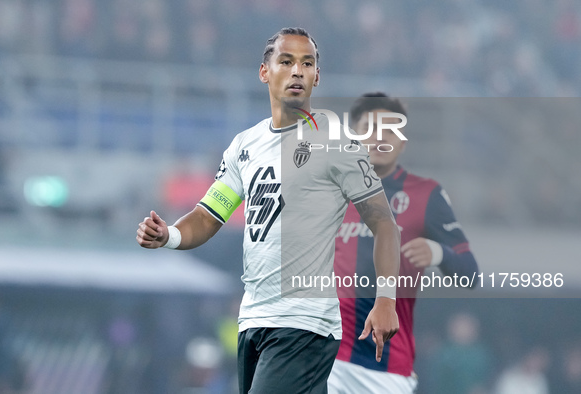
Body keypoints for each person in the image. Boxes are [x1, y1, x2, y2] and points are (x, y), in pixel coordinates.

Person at [136, 28, 401, 394]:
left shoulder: (336, 141)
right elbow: (210, 215)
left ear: (317, 76)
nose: (297, 71)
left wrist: (386, 299)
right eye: (287, 61)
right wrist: (170, 235)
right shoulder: (245, 146)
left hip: (304, 322)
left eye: (307, 63)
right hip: (254, 320)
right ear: (264, 72)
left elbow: (385, 225)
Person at [328, 93, 479, 394]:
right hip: (324, 356)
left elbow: (470, 274)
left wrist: (438, 252)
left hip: (385, 368)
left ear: (403, 142)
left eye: (389, 131)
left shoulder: (426, 196)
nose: (379, 138)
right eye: (370, 128)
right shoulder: (325, 188)